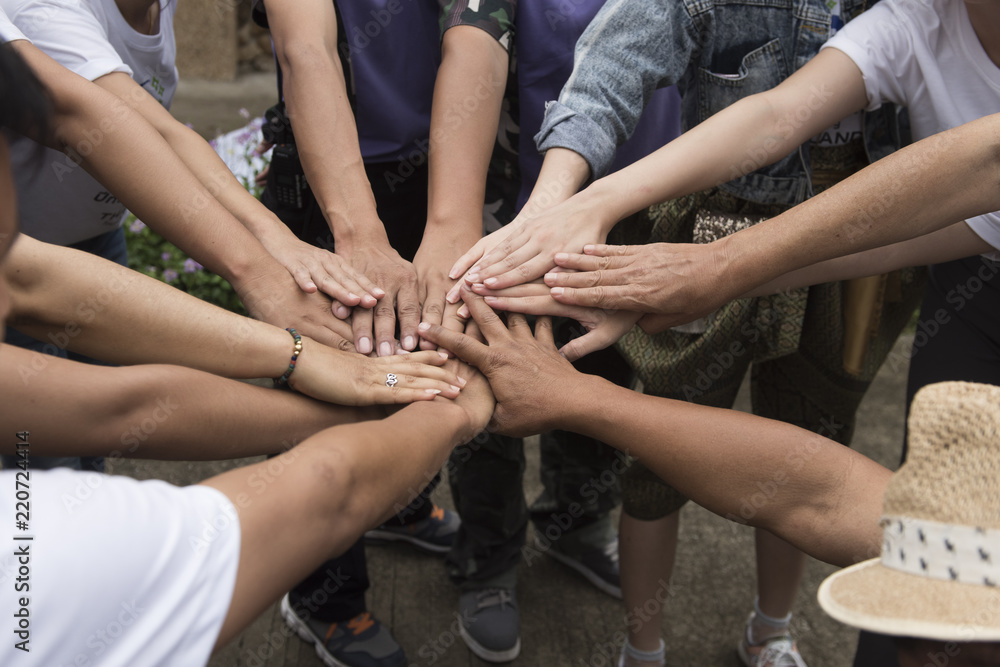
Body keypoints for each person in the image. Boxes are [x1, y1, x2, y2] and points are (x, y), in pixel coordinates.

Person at [449, 1, 922, 664]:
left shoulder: (918, 18)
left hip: (855, 245)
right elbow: (616, 63)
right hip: (711, 227)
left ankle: (773, 629)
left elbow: (954, 185)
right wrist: (558, 203)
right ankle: (642, 645)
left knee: (814, 438)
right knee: (659, 445)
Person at [0, 39, 495, 666]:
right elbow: (324, 492)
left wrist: (301, 358)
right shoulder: (42, 555)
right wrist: (446, 414)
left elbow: (106, 383)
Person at [421, 291, 1000, 666]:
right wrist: (579, 398)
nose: (919, 657)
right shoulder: (958, 548)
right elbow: (822, 493)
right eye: (911, 637)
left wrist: (395, 390)